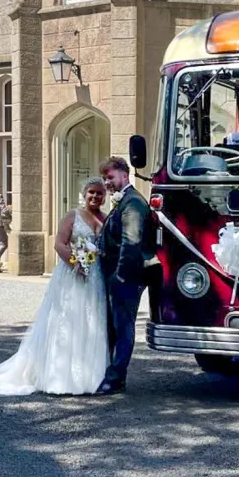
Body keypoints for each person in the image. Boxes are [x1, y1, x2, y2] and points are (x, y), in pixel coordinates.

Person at [0, 177, 109, 396]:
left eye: (99, 193)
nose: (95, 196)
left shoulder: (105, 218)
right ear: (84, 194)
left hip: (95, 277)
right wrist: (75, 263)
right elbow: (59, 243)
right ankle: (60, 377)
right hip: (71, 275)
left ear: (105, 196)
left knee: (91, 322)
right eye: (91, 192)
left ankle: (90, 376)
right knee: (68, 321)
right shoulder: (72, 216)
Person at [95, 157, 160, 395]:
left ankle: (116, 378)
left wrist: (120, 277)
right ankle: (111, 373)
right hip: (118, 275)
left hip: (128, 277)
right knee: (114, 325)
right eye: (105, 178)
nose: (107, 182)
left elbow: (131, 244)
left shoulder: (132, 203)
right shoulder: (124, 201)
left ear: (125, 175)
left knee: (123, 326)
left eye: (110, 177)